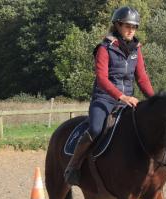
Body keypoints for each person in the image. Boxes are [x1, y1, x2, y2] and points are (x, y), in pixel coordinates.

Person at [64, 6, 155, 186]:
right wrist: (122, 96)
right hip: (104, 99)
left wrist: (155, 100)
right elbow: (102, 79)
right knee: (96, 128)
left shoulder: (136, 50)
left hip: (127, 101)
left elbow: (142, 78)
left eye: (134, 27)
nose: (131, 30)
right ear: (117, 25)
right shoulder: (104, 48)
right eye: (127, 26)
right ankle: (73, 166)